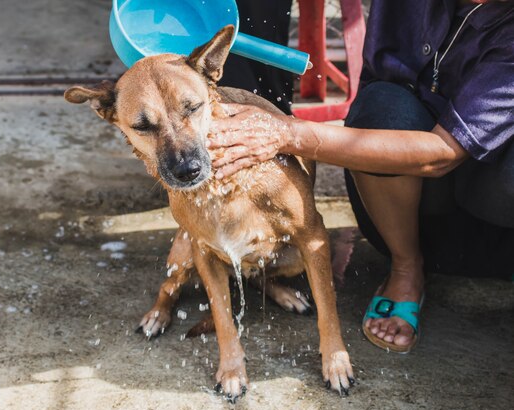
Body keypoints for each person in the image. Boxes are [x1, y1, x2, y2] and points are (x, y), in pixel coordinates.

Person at [210, 0, 514, 353]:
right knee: (382, 107)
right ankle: (406, 267)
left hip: (496, 227)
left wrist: (287, 133)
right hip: (401, 217)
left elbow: (442, 154)